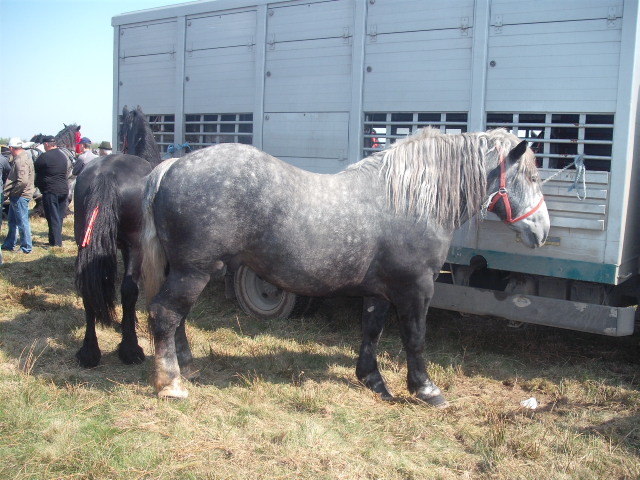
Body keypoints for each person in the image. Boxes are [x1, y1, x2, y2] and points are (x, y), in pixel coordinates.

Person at [34, 135, 69, 247]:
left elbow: (36, 168)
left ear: (47, 144)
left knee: (52, 217)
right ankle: (53, 240)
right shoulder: (63, 156)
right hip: (64, 190)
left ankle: (56, 244)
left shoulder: (44, 157)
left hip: (51, 190)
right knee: (58, 217)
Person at [2, 138, 34, 253]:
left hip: (20, 195)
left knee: (22, 222)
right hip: (19, 195)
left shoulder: (20, 160)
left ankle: (26, 247)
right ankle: (9, 244)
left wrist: (13, 193)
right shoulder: (24, 156)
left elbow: (22, 181)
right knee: (13, 221)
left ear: (11, 148)